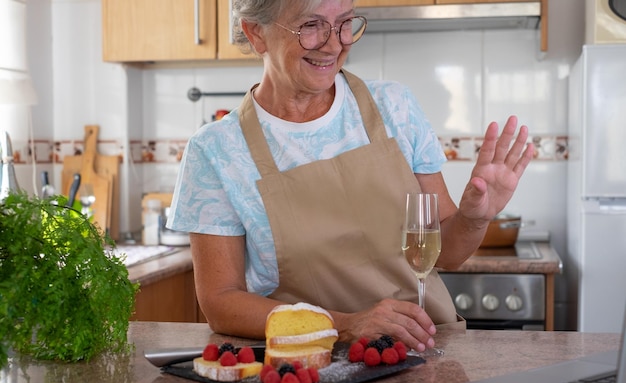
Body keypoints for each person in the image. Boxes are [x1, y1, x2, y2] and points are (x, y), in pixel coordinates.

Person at [167, 0, 534, 353]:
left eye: (345, 23)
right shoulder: (216, 150)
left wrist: (474, 218)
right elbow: (220, 302)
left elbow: (448, 256)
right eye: (311, 25)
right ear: (256, 33)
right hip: (307, 369)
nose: (333, 44)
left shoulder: (394, 107)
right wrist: (344, 325)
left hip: (421, 352)